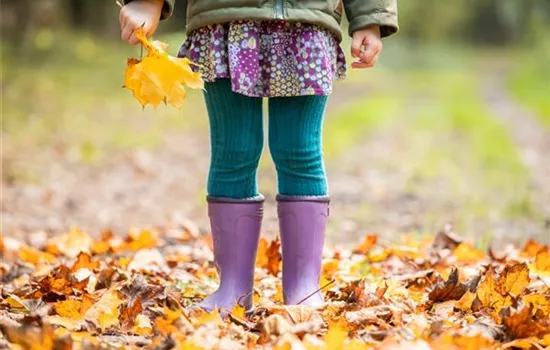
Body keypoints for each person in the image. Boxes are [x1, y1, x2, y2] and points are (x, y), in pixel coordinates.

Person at [119, 0, 398, 315]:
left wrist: (369, 18)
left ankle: (304, 286)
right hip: (224, 20)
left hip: (307, 21)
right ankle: (232, 288)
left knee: (300, 151)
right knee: (233, 151)